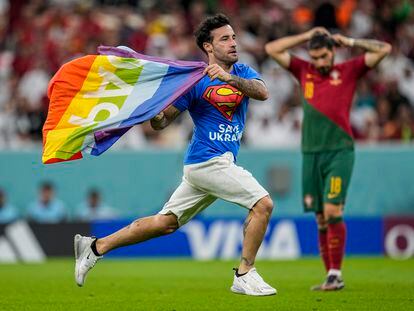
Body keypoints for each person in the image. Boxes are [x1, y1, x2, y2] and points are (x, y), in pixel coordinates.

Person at [74, 14, 276, 296]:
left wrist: (229, 77)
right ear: (208, 47)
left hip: (211, 165)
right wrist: (154, 113)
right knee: (263, 204)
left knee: (165, 223)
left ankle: (95, 246)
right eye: (225, 39)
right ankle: (244, 274)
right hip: (208, 161)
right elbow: (162, 122)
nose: (233, 43)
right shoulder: (194, 81)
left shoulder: (242, 72)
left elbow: (263, 92)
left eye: (233, 37)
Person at [265, 28, 391, 291]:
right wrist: (305, 35)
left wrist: (351, 42)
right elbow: (271, 49)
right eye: (315, 57)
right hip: (310, 153)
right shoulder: (304, 70)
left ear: (333, 51)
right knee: (321, 218)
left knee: (333, 211)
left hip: (339, 152)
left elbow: (384, 50)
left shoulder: (349, 70)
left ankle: (336, 273)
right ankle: (330, 277)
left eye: (324, 56)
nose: (320, 62)